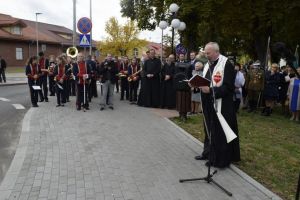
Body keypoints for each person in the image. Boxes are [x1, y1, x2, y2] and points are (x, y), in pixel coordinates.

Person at [194, 42, 240, 168]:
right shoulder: (207, 64)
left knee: (219, 131)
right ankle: (208, 152)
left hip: (221, 105)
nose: (206, 55)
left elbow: (229, 87)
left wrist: (211, 90)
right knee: (208, 128)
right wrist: (196, 84)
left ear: (216, 51)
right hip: (208, 103)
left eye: (208, 53)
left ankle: (219, 159)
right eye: (205, 53)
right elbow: (206, 80)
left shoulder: (226, 64)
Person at [174, 53, 193, 121]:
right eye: (180, 56)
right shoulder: (175, 64)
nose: (181, 57)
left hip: (186, 85)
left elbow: (190, 74)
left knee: (185, 100)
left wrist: (190, 82)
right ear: (179, 56)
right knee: (179, 100)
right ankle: (180, 114)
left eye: (183, 56)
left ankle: (184, 115)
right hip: (178, 85)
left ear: (184, 57)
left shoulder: (189, 64)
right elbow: (174, 74)